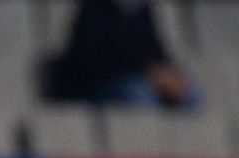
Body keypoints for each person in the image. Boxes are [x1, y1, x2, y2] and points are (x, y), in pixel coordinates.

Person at [44, 0, 193, 108]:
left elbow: (155, 51)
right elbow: (92, 61)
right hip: (95, 86)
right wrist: (148, 74)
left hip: (138, 79)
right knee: (139, 95)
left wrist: (170, 75)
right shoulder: (94, 8)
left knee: (191, 95)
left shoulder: (141, 10)